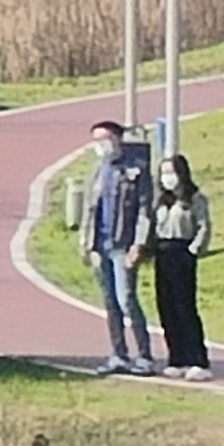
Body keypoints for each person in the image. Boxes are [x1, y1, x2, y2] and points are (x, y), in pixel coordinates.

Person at [80, 117, 157, 373]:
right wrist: (85, 243)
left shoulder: (136, 170)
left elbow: (145, 210)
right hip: (100, 245)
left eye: (105, 139)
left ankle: (144, 354)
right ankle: (118, 354)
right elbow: (89, 210)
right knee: (109, 301)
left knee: (127, 299)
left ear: (117, 139)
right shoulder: (97, 170)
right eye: (96, 140)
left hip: (123, 245)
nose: (100, 145)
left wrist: (139, 245)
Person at [145, 150, 214, 381]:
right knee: (167, 307)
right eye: (163, 173)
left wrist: (193, 250)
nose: (167, 177)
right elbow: (151, 226)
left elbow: (203, 226)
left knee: (185, 307)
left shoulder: (194, 199)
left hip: (182, 252)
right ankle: (177, 357)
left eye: (171, 172)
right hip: (162, 253)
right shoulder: (161, 201)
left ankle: (197, 359)